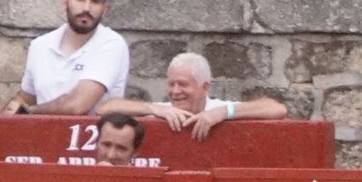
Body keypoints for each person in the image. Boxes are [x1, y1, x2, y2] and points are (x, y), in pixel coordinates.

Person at [2, 0, 131, 117]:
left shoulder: (111, 44)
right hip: (43, 137)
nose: (86, 8)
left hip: (90, 138)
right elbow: (26, 97)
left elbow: (77, 106)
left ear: (104, 9)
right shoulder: (40, 45)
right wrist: (5, 117)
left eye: (95, 1)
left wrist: (29, 111)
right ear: (66, 2)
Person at [96, 52, 289, 141]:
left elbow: (277, 109)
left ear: (204, 87)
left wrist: (223, 113)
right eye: (171, 84)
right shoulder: (162, 110)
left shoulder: (218, 108)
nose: (175, 91)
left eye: (183, 84)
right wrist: (154, 109)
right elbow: (104, 108)